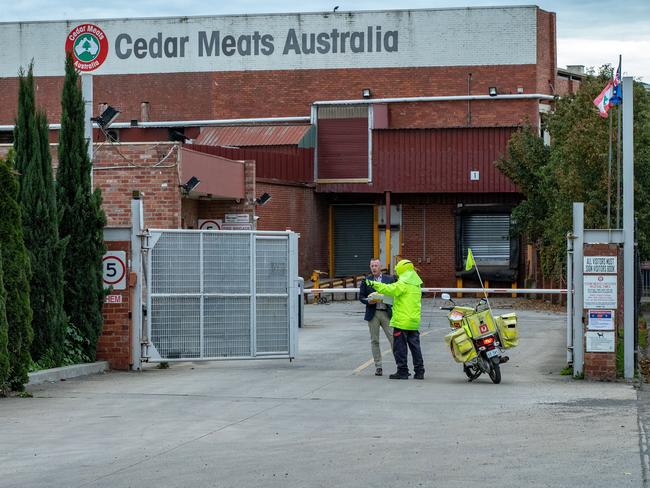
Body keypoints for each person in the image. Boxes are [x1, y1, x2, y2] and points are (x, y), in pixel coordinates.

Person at [367, 259, 424, 380]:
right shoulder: (416, 284)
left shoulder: (403, 283)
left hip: (402, 321)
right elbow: (399, 295)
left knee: (400, 348)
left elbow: (390, 289)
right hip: (413, 321)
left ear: (402, 269)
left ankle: (402, 371)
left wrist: (373, 284)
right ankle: (419, 371)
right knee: (415, 347)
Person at [359, 258, 394, 376]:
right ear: (370, 267)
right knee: (375, 341)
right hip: (373, 314)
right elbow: (361, 297)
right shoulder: (366, 281)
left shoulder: (389, 279)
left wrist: (384, 297)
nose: (374, 268)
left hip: (386, 312)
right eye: (372, 266)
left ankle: (400, 365)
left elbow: (394, 295)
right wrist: (368, 302)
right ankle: (378, 366)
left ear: (380, 267)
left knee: (393, 339)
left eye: (376, 265)